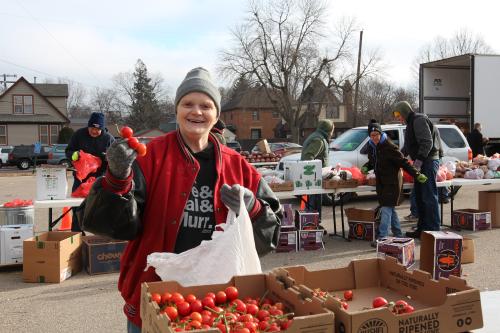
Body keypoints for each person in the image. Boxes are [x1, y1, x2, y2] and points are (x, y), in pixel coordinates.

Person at [78, 67, 281, 332]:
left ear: (216, 115)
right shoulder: (150, 157)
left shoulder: (238, 167)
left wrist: (253, 207)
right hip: (155, 295)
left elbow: (270, 235)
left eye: (205, 105)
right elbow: (111, 226)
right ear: (177, 110)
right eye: (188, 104)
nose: (196, 111)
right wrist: (116, 178)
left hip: (216, 302)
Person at [361, 120, 427, 245]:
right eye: (372, 135)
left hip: (392, 182)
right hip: (381, 182)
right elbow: (373, 161)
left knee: (386, 208)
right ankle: (398, 234)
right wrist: (367, 166)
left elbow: (404, 162)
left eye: (376, 135)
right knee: (390, 208)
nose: (374, 137)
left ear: (381, 134)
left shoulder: (389, 146)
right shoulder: (371, 146)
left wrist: (417, 174)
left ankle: (382, 237)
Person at [392, 101, 442, 238]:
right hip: (422, 163)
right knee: (419, 197)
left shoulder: (418, 120)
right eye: (396, 115)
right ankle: (422, 229)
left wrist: (418, 162)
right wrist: (398, 158)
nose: (397, 118)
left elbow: (427, 142)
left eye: (398, 114)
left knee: (429, 196)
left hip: (428, 162)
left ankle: (433, 231)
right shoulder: (410, 123)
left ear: (404, 111)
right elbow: (408, 146)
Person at [65, 112, 115, 231]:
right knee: (77, 207)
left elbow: (115, 161)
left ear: (102, 129)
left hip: (100, 178)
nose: (94, 131)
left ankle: (102, 237)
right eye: (92, 128)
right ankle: (77, 236)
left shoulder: (109, 139)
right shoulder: (79, 135)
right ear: (88, 126)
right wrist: (74, 154)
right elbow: (68, 151)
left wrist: (109, 158)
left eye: (98, 129)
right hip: (81, 178)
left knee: (102, 208)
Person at [300, 119, 334, 221]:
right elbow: (308, 158)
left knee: (312, 203)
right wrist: (314, 172)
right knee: (312, 203)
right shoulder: (318, 140)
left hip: (315, 177)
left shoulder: (319, 137)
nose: (333, 132)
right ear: (328, 129)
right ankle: (312, 225)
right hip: (313, 179)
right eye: (332, 129)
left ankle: (313, 224)